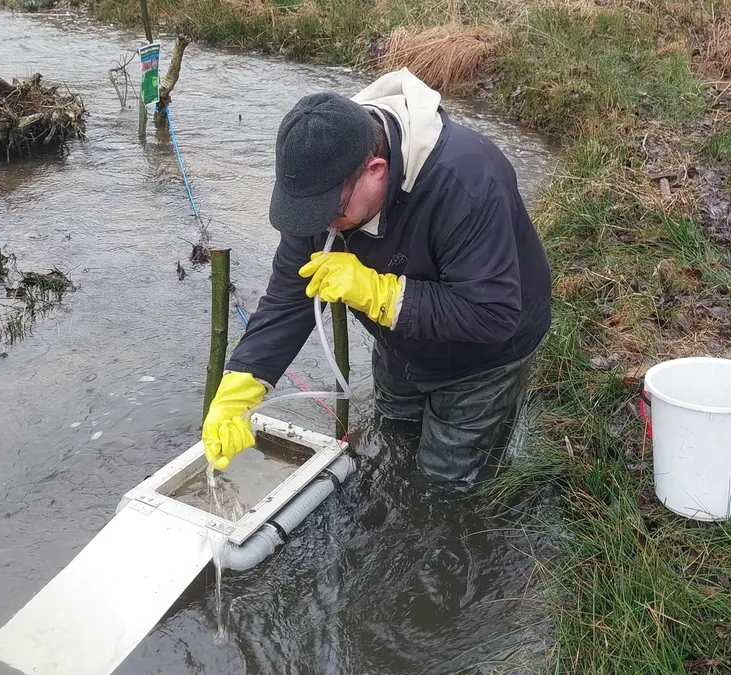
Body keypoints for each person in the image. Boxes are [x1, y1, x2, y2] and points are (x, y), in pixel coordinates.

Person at [202, 68, 552, 490]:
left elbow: (491, 314)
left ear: (376, 168)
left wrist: (378, 293)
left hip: (485, 358)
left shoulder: (469, 183)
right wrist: (243, 379)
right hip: (399, 346)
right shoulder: (321, 180)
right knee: (393, 448)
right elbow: (292, 292)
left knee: (447, 484)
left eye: (331, 212)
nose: (323, 226)